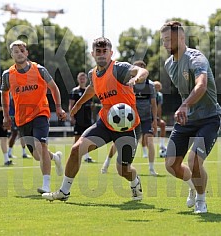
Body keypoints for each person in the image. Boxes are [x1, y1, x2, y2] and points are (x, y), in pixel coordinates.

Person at [42, 37, 149, 202]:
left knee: (123, 170)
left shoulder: (119, 68)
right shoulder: (93, 74)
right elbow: (92, 89)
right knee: (76, 150)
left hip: (128, 127)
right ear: (92, 54)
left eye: (104, 51)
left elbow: (142, 71)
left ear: (110, 53)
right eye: (98, 51)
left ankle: (135, 182)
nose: (101, 55)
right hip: (105, 123)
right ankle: (64, 191)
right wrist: (78, 105)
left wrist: (138, 78)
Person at [160, 21, 221, 214]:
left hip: (209, 118)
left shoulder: (196, 58)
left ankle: (201, 201)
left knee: (194, 161)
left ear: (181, 38)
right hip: (187, 120)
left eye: (169, 39)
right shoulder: (169, 64)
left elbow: (201, 86)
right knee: (171, 165)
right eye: (163, 40)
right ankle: (193, 187)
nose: (165, 44)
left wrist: (185, 105)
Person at [1, 39, 67, 194]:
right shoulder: (7, 75)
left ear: (27, 52)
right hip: (22, 119)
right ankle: (55, 158)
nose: (19, 53)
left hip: (40, 114)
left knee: (41, 145)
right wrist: (6, 116)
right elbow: (4, 94)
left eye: (22, 50)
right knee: (38, 155)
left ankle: (46, 185)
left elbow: (54, 88)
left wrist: (58, 108)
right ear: (12, 55)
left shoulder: (39, 70)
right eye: (16, 51)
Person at [101, 60, 158, 176]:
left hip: (146, 118)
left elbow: (153, 103)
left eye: (142, 67)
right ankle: (106, 163)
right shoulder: (127, 82)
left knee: (150, 140)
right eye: (137, 67)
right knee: (118, 142)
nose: (139, 69)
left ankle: (151, 168)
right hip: (129, 119)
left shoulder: (150, 85)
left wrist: (155, 120)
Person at [69, 72, 95, 163]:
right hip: (78, 119)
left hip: (87, 119)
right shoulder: (75, 91)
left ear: (86, 80)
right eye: (80, 78)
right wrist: (71, 116)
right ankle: (73, 154)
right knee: (77, 137)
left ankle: (86, 156)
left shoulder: (90, 90)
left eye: (84, 78)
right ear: (78, 80)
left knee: (87, 138)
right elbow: (71, 105)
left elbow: (91, 105)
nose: (82, 80)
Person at [153, 81, 167, 153]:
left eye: (158, 87)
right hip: (147, 116)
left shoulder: (159, 95)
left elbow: (159, 107)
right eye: (155, 87)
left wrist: (158, 118)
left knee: (163, 124)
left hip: (155, 116)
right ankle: (145, 149)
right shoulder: (148, 94)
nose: (157, 89)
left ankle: (162, 144)